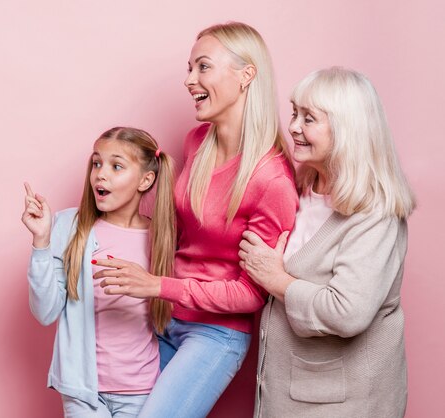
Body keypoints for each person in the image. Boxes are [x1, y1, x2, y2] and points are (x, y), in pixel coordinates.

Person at [94, 22, 299, 417]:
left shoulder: (271, 179)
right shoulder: (196, 141)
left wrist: (157, 284)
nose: (190, 80)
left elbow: (251, 294)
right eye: (189, 68)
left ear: (246, 75)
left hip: (215, 334)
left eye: (203, 67)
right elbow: (183, 232)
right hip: (164, 316)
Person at [238, 67, 415, 418]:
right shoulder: (300, 190)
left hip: (343, 405)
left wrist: (277, 281)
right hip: (289, 392)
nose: (292, 127)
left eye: (309, 118)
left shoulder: (375, 213)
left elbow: (347, 312)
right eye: (294, 113)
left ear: (347, 129)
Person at [23, 127, 176, 417]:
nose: (100, 174)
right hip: (83, 392)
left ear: (146, 180)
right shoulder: (69, 226)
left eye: (116, 166)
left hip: (141, 390)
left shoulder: (161, 238)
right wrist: (41, 242)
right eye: (96, 163)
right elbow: (45, 312)